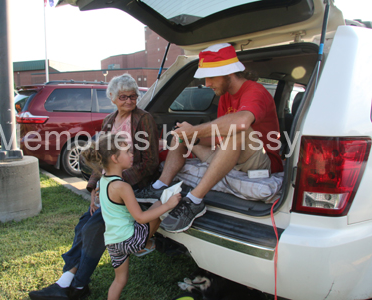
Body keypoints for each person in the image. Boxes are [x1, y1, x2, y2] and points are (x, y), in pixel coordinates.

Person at [29, 74, 160, 300]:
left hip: (131, 186)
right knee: (83, 224)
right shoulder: (108, 121)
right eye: (123, 97)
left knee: (93, 228)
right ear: (111, 98)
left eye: (133, 96)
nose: (130, 101)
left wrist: (115, 183)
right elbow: (102, 159)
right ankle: (68, 281)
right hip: (112, 186)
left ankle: (75, 285)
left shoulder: (143, 119)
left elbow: (150, 162)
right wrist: (94, 188)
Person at [135, 43, 284, 233]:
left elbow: (241, 123)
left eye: (211, 77)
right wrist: (188, 136)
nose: (207, 84)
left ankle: (195, 200)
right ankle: (160, 185)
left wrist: (195, 131)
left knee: (236, 129)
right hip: (230, 156)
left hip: (261, 163)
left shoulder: (255, 91)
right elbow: (219, 138)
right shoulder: (225, 98)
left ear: (229, 74)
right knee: (180, 135)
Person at [81, 134, 180, 300]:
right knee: (156, 206)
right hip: (129, 239)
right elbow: (141, 218)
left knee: (120, 280)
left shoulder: (104, 181)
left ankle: (145, 245)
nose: (132, 154)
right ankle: (146, 244)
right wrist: (167, 205)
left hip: (112, 242)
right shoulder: (122, 187)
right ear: (114, 158)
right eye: (127, 151)